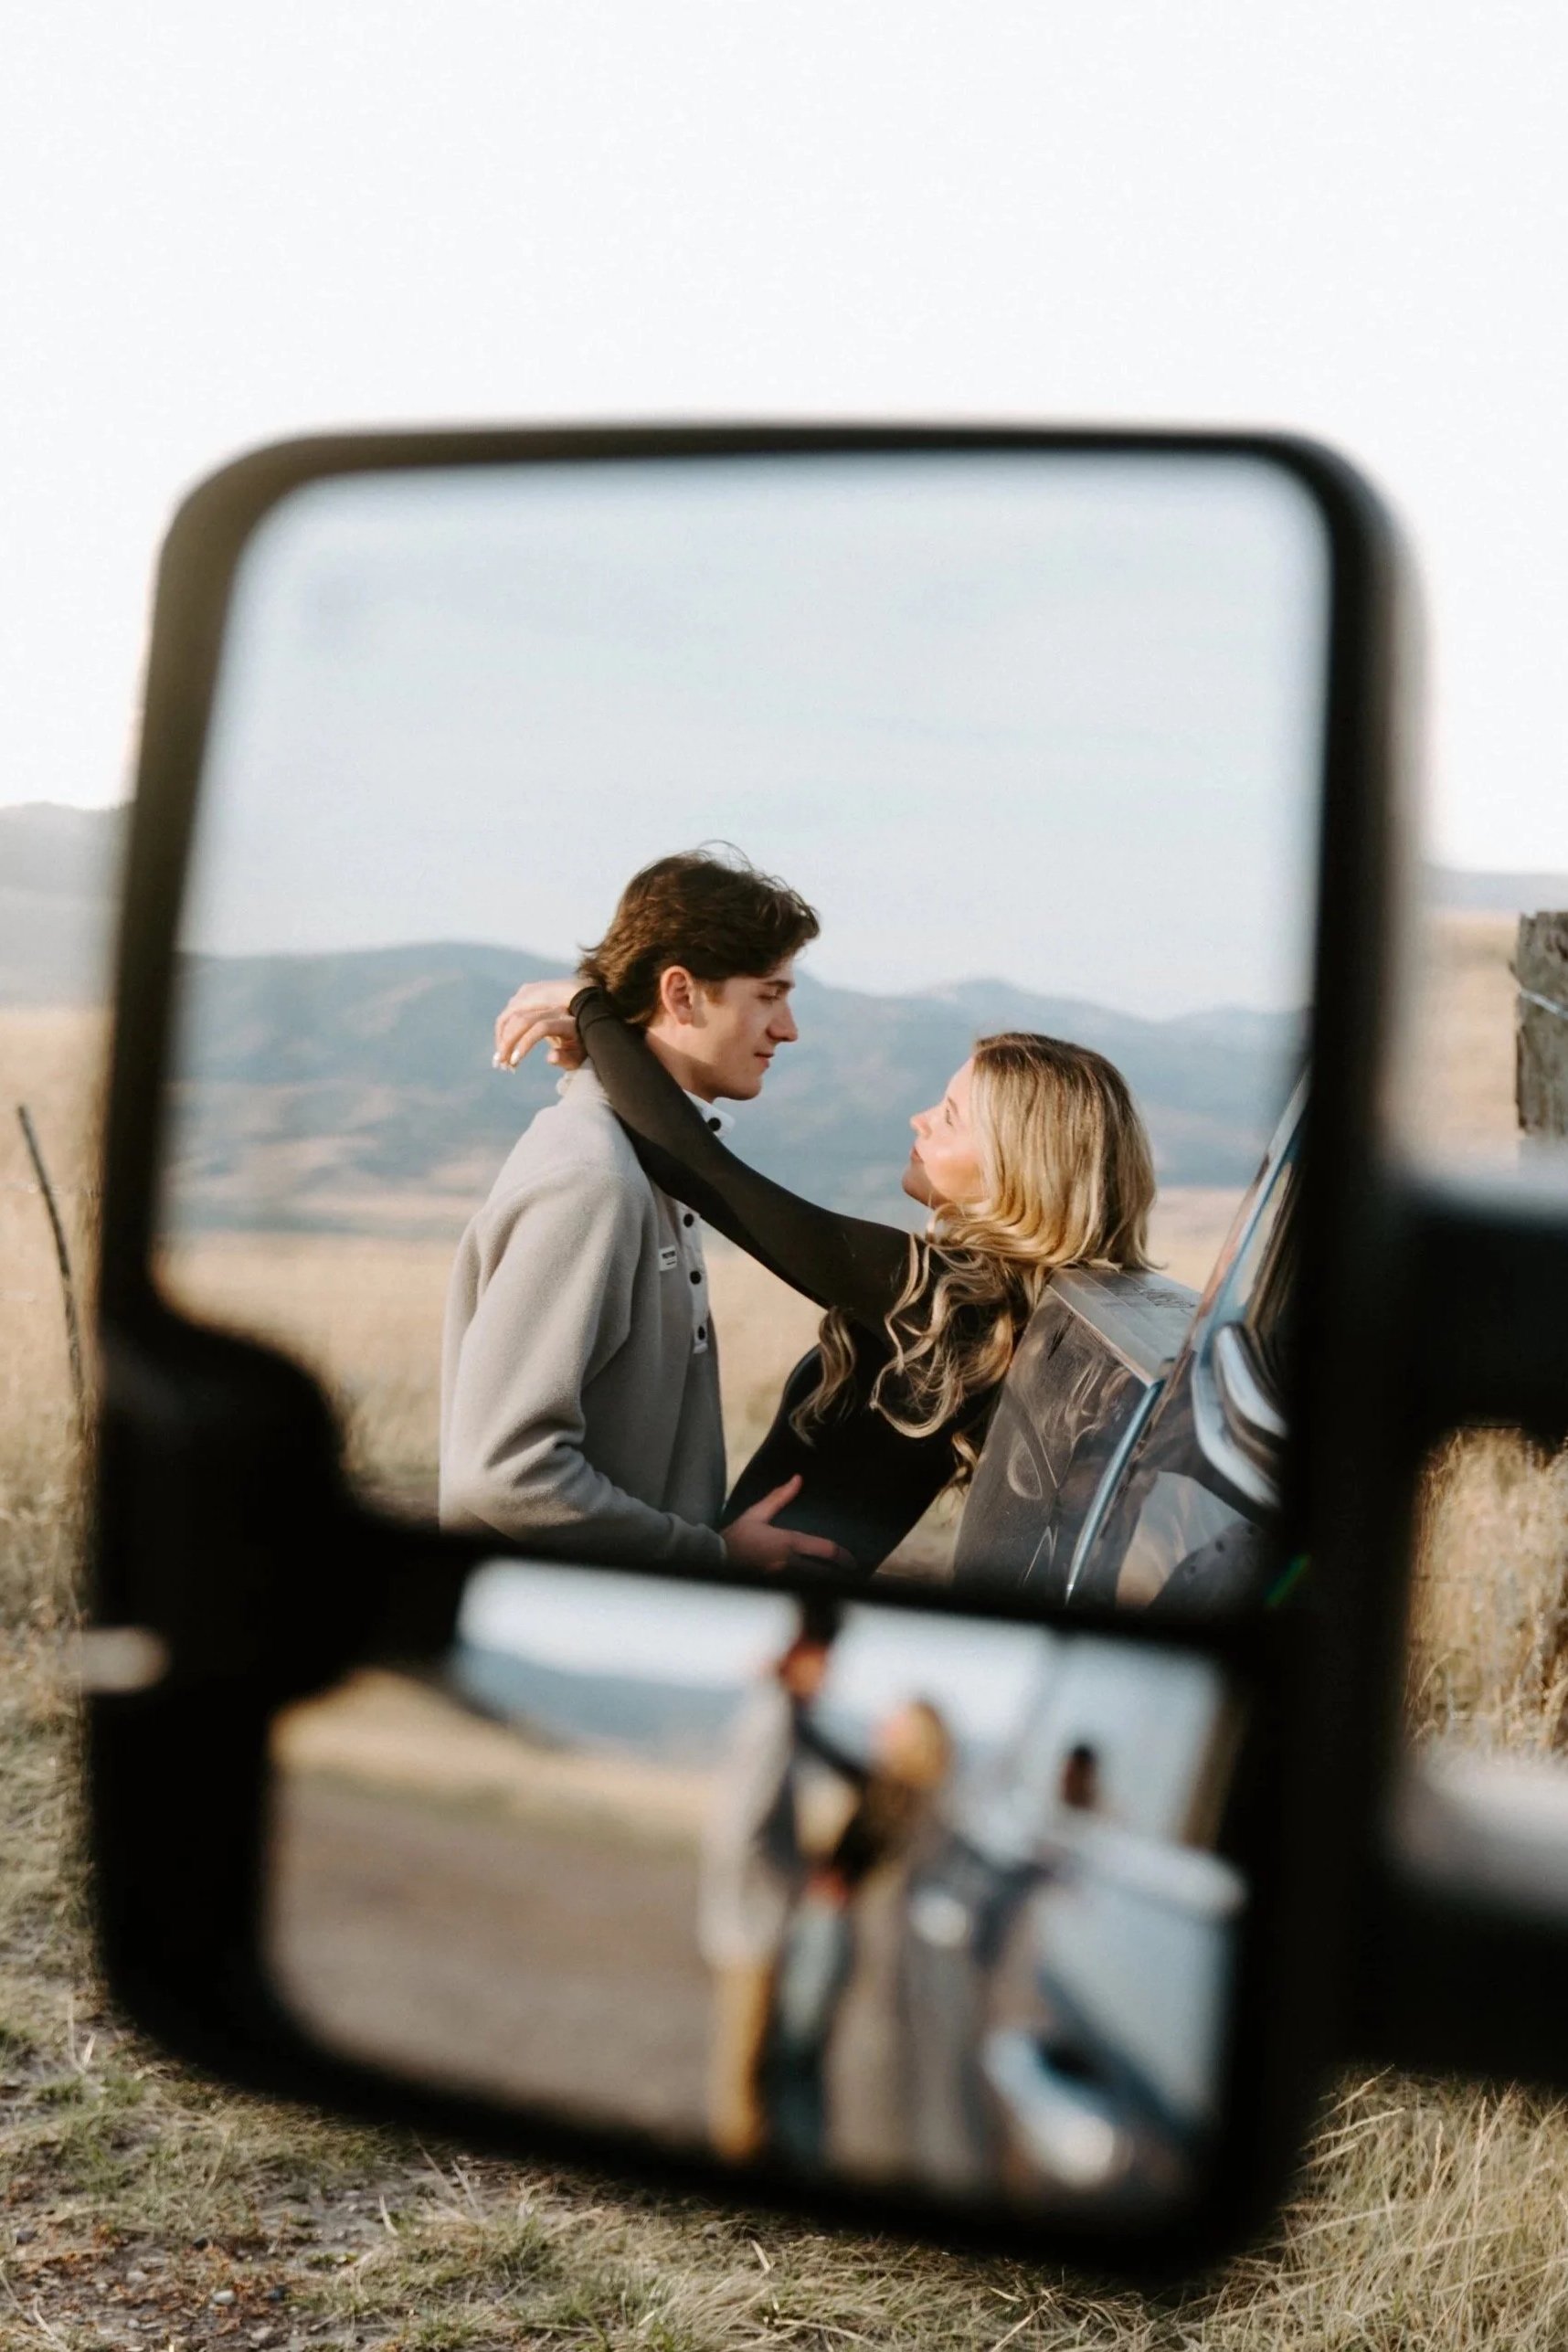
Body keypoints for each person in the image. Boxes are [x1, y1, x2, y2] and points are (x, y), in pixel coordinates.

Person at [493, 977, 1158, 1573]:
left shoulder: (942, 1298)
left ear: (1018, 1167)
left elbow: (699, 1167)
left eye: (950, 1118)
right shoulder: (993, 1305)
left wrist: (590, 1007)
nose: (919, 1120)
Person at [440, 851, 853, 1574]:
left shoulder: (643, 1164)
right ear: (682, 995)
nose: (787, 1028)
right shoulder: (593, 1178)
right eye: (769, 994)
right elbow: (503, 1473)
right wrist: (709, 1555)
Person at [695, 1600, 858, 2161]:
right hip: (752, 1924)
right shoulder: (771, 1719)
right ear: (799, 1654)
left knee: (751, 2062)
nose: (829, 1675)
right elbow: (739, 1834)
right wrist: (800, 1880)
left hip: (752, 1918)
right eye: (824, 1660)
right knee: (742, 2069)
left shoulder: (784, 1713)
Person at [764, 1697, 954, 2169]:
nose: (883, 1725)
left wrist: (788, 1703)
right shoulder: (899, 1787)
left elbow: (828, 1755)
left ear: (917, 1738)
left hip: (832, 1924)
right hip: (832, 1920)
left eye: (896, 1722)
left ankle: (800, 2159)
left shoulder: (903, 1792)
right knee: (798, 2049)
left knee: (797, 2049)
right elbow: (830, 1755)